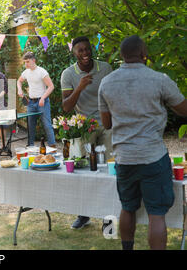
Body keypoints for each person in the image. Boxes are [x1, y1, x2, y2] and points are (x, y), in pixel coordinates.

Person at [99, 35, 187, 250]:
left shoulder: (107, 82)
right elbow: (184, 110)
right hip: (152, 156)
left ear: (122, 56)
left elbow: (106, 123)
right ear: (144, 54)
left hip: (124, 158)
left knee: (127, 207)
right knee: (156, 213)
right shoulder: (159, 79)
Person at [60, 36, 113, 230]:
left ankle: (109, 217)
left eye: (87, 49)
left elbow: (114, 94)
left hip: (107, 124)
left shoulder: (105, 69)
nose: (85, 53)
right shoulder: (68, 74)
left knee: (109, 170)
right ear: (74, 53)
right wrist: (80, 87)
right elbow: (66, 107)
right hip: (84, 126)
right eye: (80, 50)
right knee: (83, 171)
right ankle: (83, 214)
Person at [17, 51, 56, 147]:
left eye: (27, 61)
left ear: (33, 60)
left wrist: (43, 98)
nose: (26, 64)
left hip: (43, 102)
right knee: (30, 126)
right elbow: (19, 81)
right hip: (31, 103)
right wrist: (19, 90)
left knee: (47, 125)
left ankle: (52, 146)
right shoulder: (26, 72)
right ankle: (30, 147)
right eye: (25, 62)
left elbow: (51, 86)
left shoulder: (42, 72)